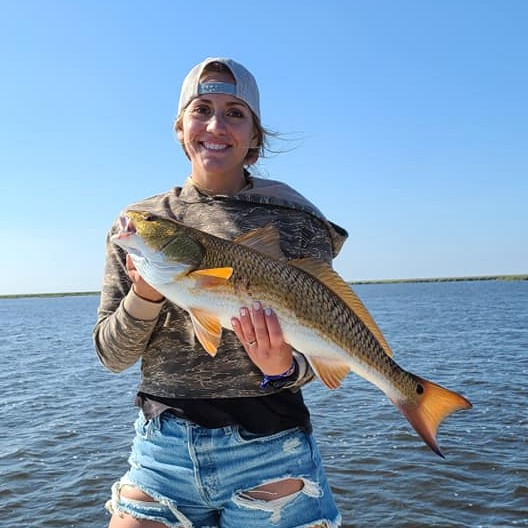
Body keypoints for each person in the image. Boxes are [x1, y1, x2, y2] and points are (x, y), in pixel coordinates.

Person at [94, 57, 347, 528]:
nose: (216, 124)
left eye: (235, 112)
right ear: (179, 127)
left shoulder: (296, 217)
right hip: (161, 450)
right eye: (201, 108)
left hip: (271, 450)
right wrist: (145, 294)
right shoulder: (137, 224)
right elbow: (112, 356)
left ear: (255, 135)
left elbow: (324, 337)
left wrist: (283, 369)